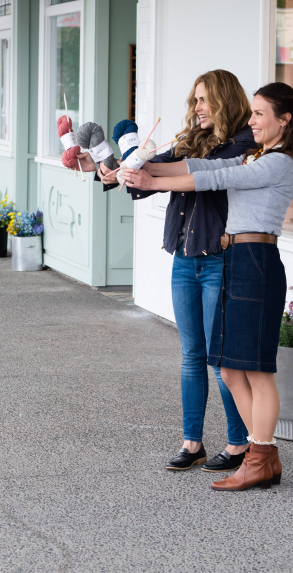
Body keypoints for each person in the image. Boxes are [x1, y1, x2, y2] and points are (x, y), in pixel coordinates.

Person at [123, 82, 293, 491]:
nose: (252, 120)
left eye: (259, 114)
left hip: (257, 261)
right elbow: (202, 167)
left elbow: (219, 177)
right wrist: (146, 168)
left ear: (284, 120)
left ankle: (258, 456)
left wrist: (152, 183)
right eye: (252, 112)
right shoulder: (258, 155)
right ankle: (263, 456)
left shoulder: (282, 162)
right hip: (237, 258)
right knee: (228, 367)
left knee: (257, 371)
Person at [79, 70, 255, 473]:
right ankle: (193, 443)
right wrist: (115, 169)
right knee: (191, 355)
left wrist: (150, 173)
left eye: (203, 99)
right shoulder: (189, 139)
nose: (197, 107)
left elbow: (202, 175)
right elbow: (147, 173)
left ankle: (239, 443)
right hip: (185, 259)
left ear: (225, 99)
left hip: (221, 259)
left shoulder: (243, 143)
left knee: (220, 359)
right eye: (195, 100)